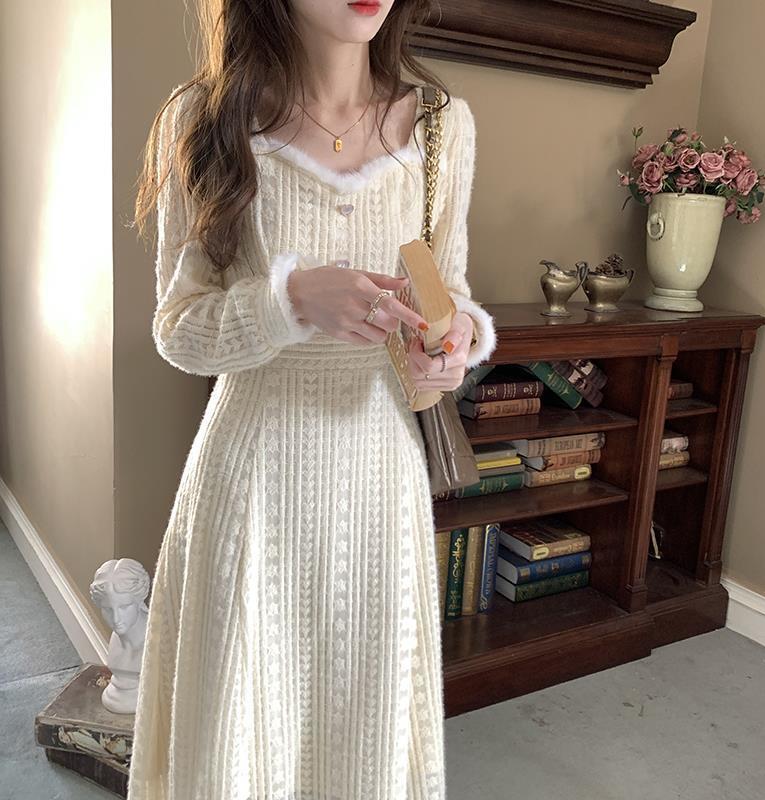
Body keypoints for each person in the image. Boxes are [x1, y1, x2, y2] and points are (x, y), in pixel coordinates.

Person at [128, 0, 497, 797]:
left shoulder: (443, 127)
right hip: (253, 490)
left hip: (381, 486)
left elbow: (450, 290)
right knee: (239, 733)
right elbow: (178, 328)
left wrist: (456, 343)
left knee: (365, 738)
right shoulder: (204, 120)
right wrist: (289, 302)